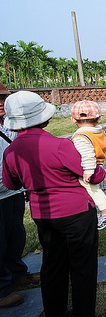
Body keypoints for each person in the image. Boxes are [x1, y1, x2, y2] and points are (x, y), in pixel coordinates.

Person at [2, 91, 106, 317]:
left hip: (43, 215)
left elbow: (11, 184)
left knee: (52, 265)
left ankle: (54, 312)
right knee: (82, 267)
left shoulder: (10, 151)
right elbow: (93, 175)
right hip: (76, 213)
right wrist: (100, 169)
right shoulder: (59, 145)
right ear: (43, 117)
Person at [0, 84, 40, 309]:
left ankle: (16, 273)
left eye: (3, 97)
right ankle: (1, 289)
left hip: (13, 190)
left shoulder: (11, 125)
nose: (0, 102)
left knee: (15, 236)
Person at [71, 100, 106, 230]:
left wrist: (88, 171)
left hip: (91, 167)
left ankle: (105, 211)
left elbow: (87, 155)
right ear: (99, 119)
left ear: (73, 120)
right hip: (99, 163)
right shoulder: (98, 132)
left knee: (92, 189)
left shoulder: (81, 137)